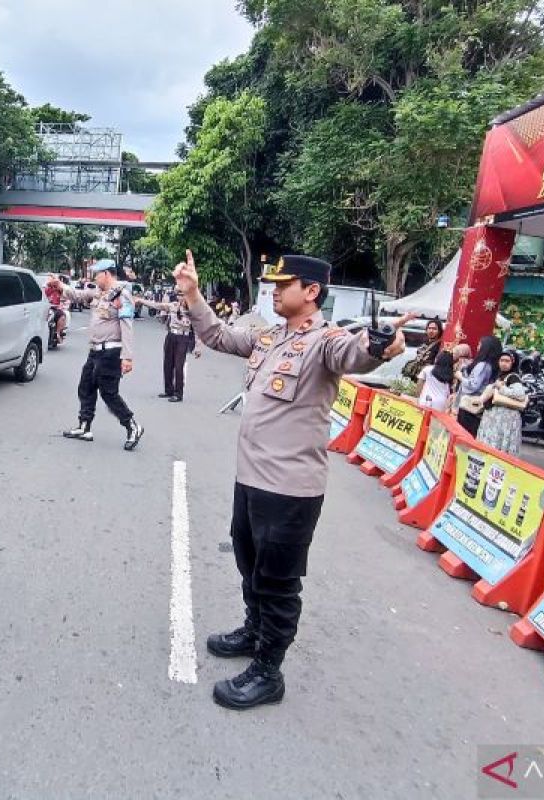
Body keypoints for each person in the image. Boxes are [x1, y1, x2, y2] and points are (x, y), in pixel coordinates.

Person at [174, 250, 405, 710]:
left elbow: (354, 352)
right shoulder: (270, 336)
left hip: (290, 490)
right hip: (251, 479)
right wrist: (194, 294)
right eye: (273, 284)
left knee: (278, 580)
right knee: (248, 560)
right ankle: (253, 629)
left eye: (284, 284)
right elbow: (218, 334)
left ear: (312, 292)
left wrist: (378, 345)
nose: (275, 291)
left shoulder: (324, 341)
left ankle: (268, 670)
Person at [48, 265, 145, 450]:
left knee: (109, 393)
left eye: (97, 275)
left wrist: (127, 357)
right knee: (86, 386)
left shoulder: (121, 296)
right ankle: (84, 427)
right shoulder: (100, 293)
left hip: (111, 352)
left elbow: (127, 326)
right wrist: (59, 285)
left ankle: (132, 425)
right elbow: (77, 295)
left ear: (106, 274)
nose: (94, 279)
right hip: (95, 351)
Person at [135, 295, 202, 402]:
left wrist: (198, 347)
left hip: (183, 337)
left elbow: (198, 330)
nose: (182, 299)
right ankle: (168, 390)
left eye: (184, 296)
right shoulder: (173, 306)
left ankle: (178, 393)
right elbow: (156, 305)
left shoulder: (193, 311)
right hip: (171, 336)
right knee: (168, 364)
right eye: (180, 296)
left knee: (179, 366)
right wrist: (141, 300)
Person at [476, 355, 529, 456]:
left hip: (504, 420)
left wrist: (501, 388)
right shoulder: (500, 375)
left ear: (512, 363)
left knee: (499, 446)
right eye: (501, 360)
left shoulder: (513, 377)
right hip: (496, 419)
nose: (503, 363)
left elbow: (520, 395)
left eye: (507, 361)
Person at [456, 335, 502, 436]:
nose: (477, 347)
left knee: (463, 435)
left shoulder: (483, 365)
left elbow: (472, 386)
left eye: (480, 345)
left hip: (469, 405)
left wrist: (460, 377)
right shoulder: (491, 366)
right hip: (476, 407)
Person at [400, 317, 443, 381]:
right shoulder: (425, 342)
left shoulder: (439, 346)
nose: (431, 331)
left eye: (434, 329)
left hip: (426, 378)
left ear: (439, 331)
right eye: (429, 328)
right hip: (415, 377)